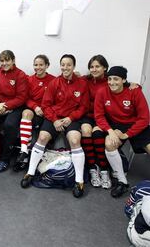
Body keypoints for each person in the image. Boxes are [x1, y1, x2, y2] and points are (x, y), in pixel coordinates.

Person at [21, 54, 89, 198]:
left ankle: (79, 181)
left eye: (68, 65)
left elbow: (84, 107)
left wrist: (71, 118)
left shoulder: (82, 84)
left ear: (74, 66)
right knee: (43, 136)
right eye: (63, 64)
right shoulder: (55, 82)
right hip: (54, 118)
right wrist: (55, 120)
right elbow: (46, 105)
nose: (65, 67)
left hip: (71, 118)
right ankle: (30, 173)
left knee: (75, 140)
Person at [94, 66, 150, 198]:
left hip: (136, 125)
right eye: (110, 79)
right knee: (109, 143)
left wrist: (127, 134)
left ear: (124, 80)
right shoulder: (102, 92)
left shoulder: (134, 92)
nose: (112, 82)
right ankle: (122, 182)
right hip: (116, 125)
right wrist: (110, 131)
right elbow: (99, 116)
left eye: (116, 79)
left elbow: (144, 118)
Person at [13, 55, 55, 172]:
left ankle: (29, 157)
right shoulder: (29, 80)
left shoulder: (53, 80)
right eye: (36, 65)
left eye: (41, 65)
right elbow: (25, 98)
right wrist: (35, 107)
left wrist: (44, 108)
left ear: (47, 65)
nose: (38, 67)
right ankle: (24, 150)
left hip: (46, 111)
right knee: (26, 113)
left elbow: (55, 100)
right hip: (33, 109)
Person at [79, 55, 112, 189]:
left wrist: (134, 85)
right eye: (91, 67)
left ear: (104, 67)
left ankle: (104, 170)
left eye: (97, 66)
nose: (94, 69)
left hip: (103, 116)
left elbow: (124, 84)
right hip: (88, 115)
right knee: (86, 131)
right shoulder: (86, 80)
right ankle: (93, 168)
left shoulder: (110, 80)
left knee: (96, 133)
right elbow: (71, 78)